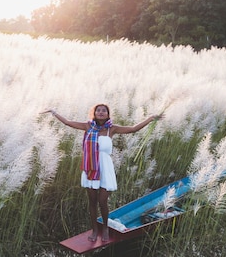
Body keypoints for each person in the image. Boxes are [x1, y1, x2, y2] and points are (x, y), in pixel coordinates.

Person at [42, 104, 163, 242]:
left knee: (102, 201)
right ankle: (95, 230)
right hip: (91, 167)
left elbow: (133, 129)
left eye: (103, 110)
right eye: (98, 110)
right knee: (92, 201)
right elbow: (67, 122)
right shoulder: (88, 126)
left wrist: (151, 118)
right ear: (94, 113)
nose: (100, 112)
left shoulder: (111, 129)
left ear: (107, 114)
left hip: (105, 168)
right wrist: (53, 112)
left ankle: (105, 227)